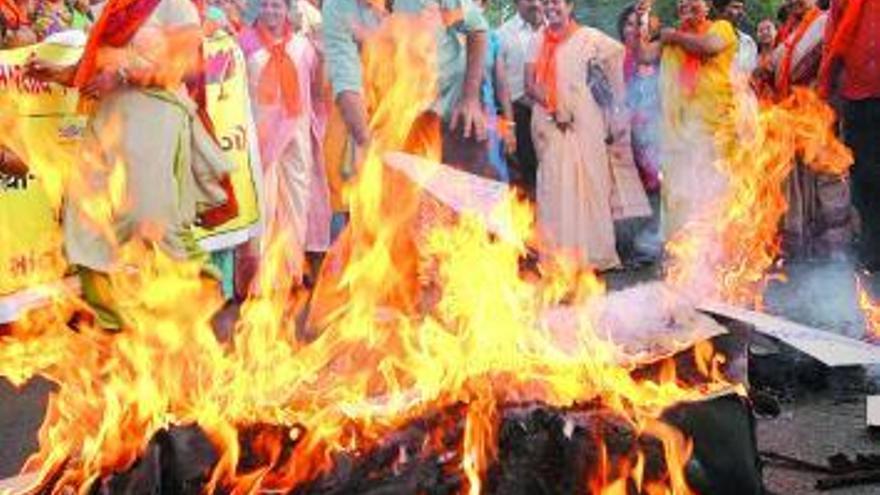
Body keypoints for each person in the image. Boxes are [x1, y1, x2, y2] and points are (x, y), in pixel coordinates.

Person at [25, 0, 238, 330]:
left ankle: (205, 299)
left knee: (154, 219)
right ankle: (112, 325)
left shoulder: (175, 6)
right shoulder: (112, 9)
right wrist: (56, 73)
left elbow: (183, 65)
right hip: (108, 120)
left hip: (155, 114)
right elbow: (94, 72)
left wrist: (125, 74)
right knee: (83, 224)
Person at [526, 0, 647, 270]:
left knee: (591, 183)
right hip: (549, 122)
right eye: (545, 2)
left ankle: (595, 255)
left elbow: (617, 57)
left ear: (569, 6)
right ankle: (559, 260)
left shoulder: (590, 38)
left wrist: (617, 109)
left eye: (556, 2)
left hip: (587, 121)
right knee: (555, 185)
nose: (550, 7)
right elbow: (529, 85)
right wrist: (555, 106)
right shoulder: (537, 40)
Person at [239, 0, 329, 287]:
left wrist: (325, 57)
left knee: (296, 201)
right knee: (262, 203)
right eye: (265, 5)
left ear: (287, 9)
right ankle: (259, 278)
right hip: (260, 134)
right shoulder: (243, 42)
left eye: (276, 5)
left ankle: (290, 271)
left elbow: (317, 88)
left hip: (297, 131)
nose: (271, 11)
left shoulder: (304, 46)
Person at [772, 0, 850, 258]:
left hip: (820, 117)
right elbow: (779, 69)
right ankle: (805, 250)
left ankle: (837, 254)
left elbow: (829, 64)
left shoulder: (825, 21)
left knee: (828, 184)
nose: (793, 2)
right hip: (792, 121)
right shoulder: (789, 34)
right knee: (797, 185)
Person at [658, 0, 739, 240]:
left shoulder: (721, 27)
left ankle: (723, 257)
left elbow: (709, 46)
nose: (685, 3)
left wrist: (673, 37)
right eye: (680, 0)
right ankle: (687, 259)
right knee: (683, 196)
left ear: (708, 5)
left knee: (715, 195)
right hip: (681, 134)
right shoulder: (674, 37)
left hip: (715, 131)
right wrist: (643, 21)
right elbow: (644, 54)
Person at [820, 0, 880, 272]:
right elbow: (834, 41)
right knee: (865, 178)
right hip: (859, 96)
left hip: (862, 93)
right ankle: (872, 250)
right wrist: (829, 92)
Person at [618, 3, 662, 263]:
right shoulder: (614, 55)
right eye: (630, 24)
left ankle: (651, 244)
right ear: (622, 28)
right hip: (624, 132)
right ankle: (628, 246)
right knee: (628, 187)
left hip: (653, 131)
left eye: (640, 24)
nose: (635, 29)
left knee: (655, 184)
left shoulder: (654, 55)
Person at [497, 0, 542, 199]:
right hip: (518, 114)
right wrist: (509, 125)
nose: (535, 2)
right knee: (523, 177)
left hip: (552, 115)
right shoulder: (502, 35)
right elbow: (501, 85)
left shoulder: (556, 28)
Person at [476, 0, 515, 182]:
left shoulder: (492, 39)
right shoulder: (446, 37)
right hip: (455, 119)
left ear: (484, 6)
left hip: (489, 119)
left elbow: (502, 87)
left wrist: (509, 127)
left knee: (493, 175)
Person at [752, 18, 777, 100]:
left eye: (768, 29)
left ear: (776, 31)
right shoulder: (753, 57)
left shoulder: (783, 53)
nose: (764, 33)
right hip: (757, 101)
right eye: (760, 30)